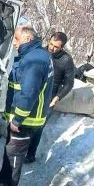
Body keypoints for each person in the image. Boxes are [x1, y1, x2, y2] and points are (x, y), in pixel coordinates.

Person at [0, 26, 53, 186]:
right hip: (27, 117)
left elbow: (28, 93)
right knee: (10, 150)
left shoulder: (34, 60)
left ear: (28, 38)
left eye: (16, 39)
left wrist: (17, 119)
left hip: (25, 119)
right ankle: (2, 181)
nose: (14, 43)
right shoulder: (37, 55)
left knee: (14, 154)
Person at [25, 31, 75, 163]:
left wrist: (57, 98)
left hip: (49, 97)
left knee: (38, 126)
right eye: (51, 44)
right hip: (34, 91)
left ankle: (30, 154)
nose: (51, 48)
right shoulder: (41, 52)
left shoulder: (66, 60)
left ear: (62, 48)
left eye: (56, 47)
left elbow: (69, 83)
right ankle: (19, 149)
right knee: (25, 121)